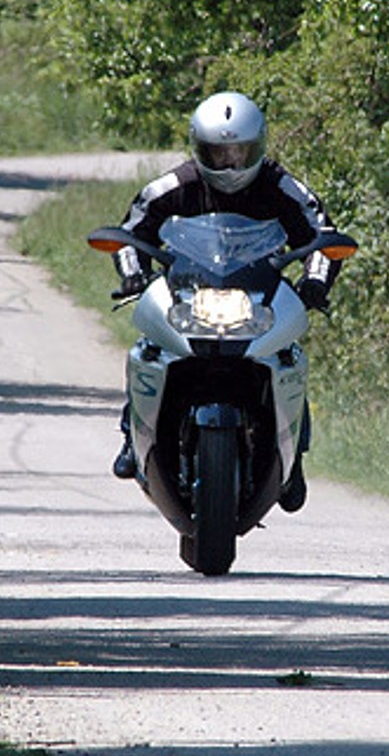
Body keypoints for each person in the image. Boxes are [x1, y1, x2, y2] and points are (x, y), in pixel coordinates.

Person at [109, 91, 343, 498]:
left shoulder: (282, 186)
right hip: (189, 296)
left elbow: (323, 235)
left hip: (257, 299)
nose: (230, 164)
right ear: (199, 148)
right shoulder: (173, 185)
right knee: (149, 347)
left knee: (288, 354)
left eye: (240, 152)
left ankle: (293, 454)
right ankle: (133, 433)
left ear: (259, 146)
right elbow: (130, 232)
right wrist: (134, 275)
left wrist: (316, 282)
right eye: (218, 153)